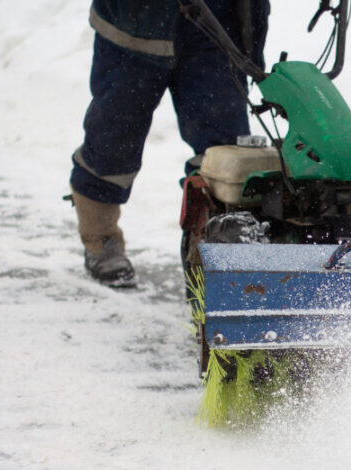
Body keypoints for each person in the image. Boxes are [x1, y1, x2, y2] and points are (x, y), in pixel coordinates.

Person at [69, 0, 270, 286]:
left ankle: (224, 250)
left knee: (225, 151)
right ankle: (100, 237)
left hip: (215, 23)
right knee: (113, 141)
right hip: (136, 24)